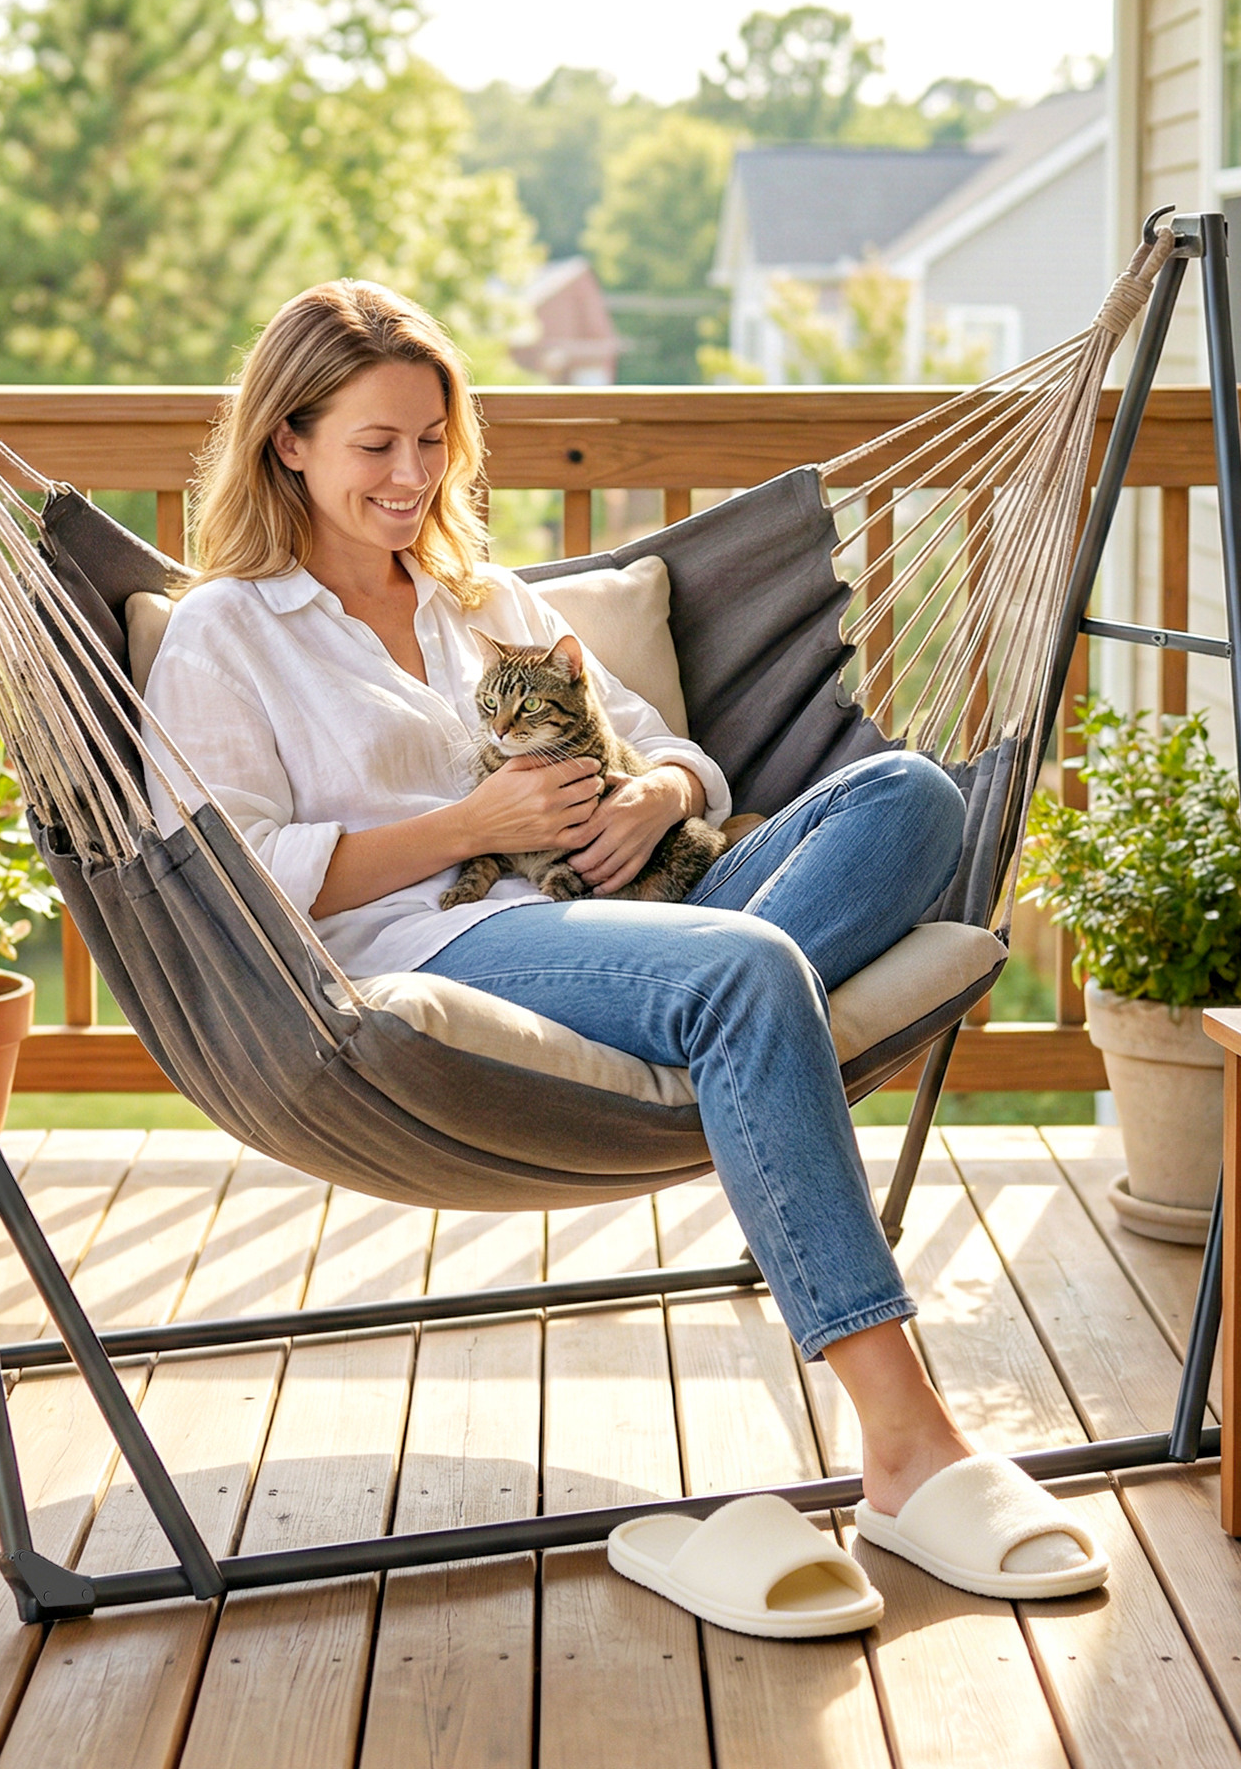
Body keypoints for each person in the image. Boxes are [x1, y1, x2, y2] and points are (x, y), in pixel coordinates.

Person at [143, 279, 1103, 1605]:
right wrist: (468, 821)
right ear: (287, 443)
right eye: (375, 445)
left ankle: (721, 1018)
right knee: (752, 972)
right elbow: (233, 876)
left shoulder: (486, 604)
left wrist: (657, 794)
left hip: (646, 911)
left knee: (911, 798)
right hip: (437, 947)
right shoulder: (223, 635)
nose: (412, 475)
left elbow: (665, 744)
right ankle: (905, 1446)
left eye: (432, 440)